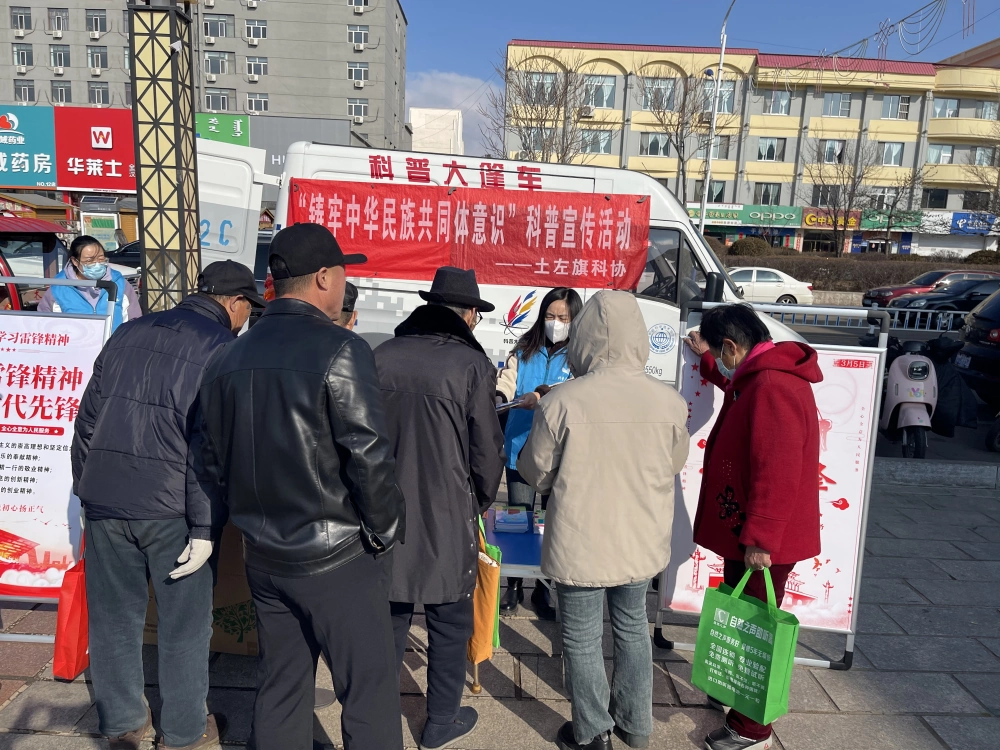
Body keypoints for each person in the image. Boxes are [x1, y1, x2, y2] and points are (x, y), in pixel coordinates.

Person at [191, 223, 405, 750]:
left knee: (282, 689)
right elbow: (369, 455)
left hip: (264, 554)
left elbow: (210, 458)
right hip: (338, 556)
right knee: (369, 694)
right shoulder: (342, 348)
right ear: (324, 278)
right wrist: (383, 532)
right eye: (343, 274)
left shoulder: (227, 356)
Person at [72, 260, 265, 750]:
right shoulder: (222, 348)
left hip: (107, 500)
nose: (247, 319)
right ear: (235, 303)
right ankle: (182, 732)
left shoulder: (128, 333)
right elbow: (208, 447)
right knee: (184, 625)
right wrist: (204, 528)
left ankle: (122, 724)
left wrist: (86, 488)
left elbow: (87, 420)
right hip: (172, 511)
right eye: (249, 309)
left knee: (113, 619)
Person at [517, 291, 690, 750]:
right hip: (641, 537)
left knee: (580, 636)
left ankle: (593, 732)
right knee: (632, 628)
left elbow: (535, 472)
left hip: (581, 538)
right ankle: (635, 726)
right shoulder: (668, 401)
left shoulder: (562, 401)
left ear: (584, 336)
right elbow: (674, 463)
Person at [374, 266, 505, 750]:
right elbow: (486, 454)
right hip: (448, 513)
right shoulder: (471, 366)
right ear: (469, 314)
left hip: (384, 511)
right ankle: (440, 723)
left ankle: (377, 720)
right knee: (449, 622)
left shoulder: (381, 356)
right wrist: (478, 500)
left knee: (387, 621)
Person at [684, 303, 822, 750]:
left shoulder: (772, 385)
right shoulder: (760, 374)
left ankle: (751, 730)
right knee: (743, 618)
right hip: (746, 531)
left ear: (732, 345)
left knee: (754, 632)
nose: (721, 363)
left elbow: (778, 469)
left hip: (761, 539)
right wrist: (708, 362)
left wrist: (760, 538)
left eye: (719, 353)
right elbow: (735, 384)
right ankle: (733, 694)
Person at [495, 287, 582, 619]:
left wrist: (541, 395)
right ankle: (514, 585)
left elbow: (574, 389)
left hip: (559, 455)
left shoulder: (579, 357)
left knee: (551, 523)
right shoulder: (524, 349)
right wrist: (500, 398)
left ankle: (544, 588)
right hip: (521, 449)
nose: (555, 323)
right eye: (549, 316)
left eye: (563, 317)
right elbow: (507, 380)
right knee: (518, 518)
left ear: (575, 320)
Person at [38, 235, 142, 331]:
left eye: (101, 259)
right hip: (76, 344)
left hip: (115, 343)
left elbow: (135, 320)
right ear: (75, 261)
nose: (97, 264)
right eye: (89, 261)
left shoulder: (119, 283)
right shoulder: (58, 288)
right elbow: (43, 324)